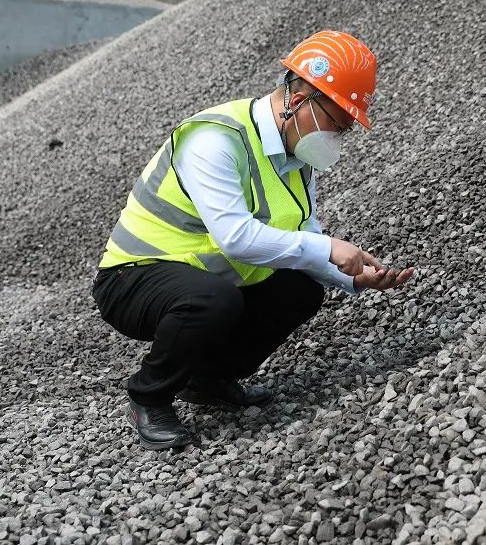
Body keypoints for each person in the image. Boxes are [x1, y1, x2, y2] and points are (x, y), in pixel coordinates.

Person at [92, 31, 414, 451]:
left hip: (207, 279)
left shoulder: (296, 158)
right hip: (132, 277)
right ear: (300, 99)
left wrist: (352, 279)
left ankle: (206, 379)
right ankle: (148, 396)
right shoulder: (215, 139)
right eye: (337, 124)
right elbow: (236, 238)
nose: (337, 137)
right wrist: (329, 247)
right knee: (212, 300)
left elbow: (303, 236)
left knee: (300, 289)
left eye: (345, 130)